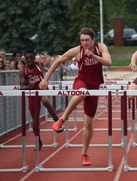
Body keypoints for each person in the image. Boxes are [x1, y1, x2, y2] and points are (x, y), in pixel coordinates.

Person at [39, 27, 112, 166]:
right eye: (82, 40)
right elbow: (58, 61)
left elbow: (109, 62)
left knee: (89, 123)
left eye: (87, 40)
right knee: (81, 93)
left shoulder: (101, 47)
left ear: (93, 40)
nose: (84, 43)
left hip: (94, 86)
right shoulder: (77, 51)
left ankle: (84, 154)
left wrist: (94, 56)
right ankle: (62, 119)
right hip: (81, 81)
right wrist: (45, 79)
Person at [19, 50, 63, 151]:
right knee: (35, 122)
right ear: (25, 59)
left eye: (31, 57)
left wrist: (46, 76)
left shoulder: (40, 64)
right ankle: (38, 141)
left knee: (45, 101)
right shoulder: (23, 71)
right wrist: (28, 86)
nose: (29, 60)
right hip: (32, 95)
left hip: (42, 89)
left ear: (34, 58)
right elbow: (21, 87)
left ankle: (57, 121)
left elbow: (46, 69)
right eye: (27, 58)